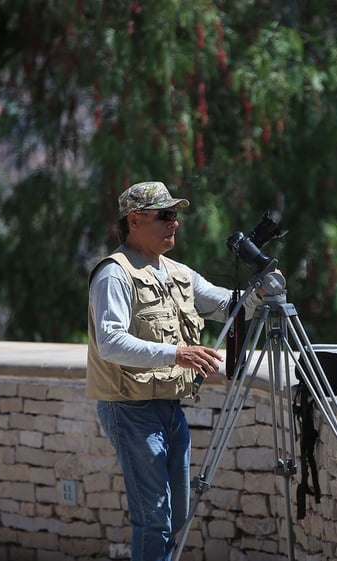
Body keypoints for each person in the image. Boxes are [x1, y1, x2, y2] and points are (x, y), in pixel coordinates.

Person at [86, 181, 264, 561]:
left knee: (177, 514)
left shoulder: (178, 273)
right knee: (154, 519)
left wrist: (263, 290)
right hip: (129, 409)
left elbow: (227, 306)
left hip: (169, 410)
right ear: (135, 220)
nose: (175, 223)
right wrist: (176, 354)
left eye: (175, 216)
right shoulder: (114, 274)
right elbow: (111, 342)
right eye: (165, 215)